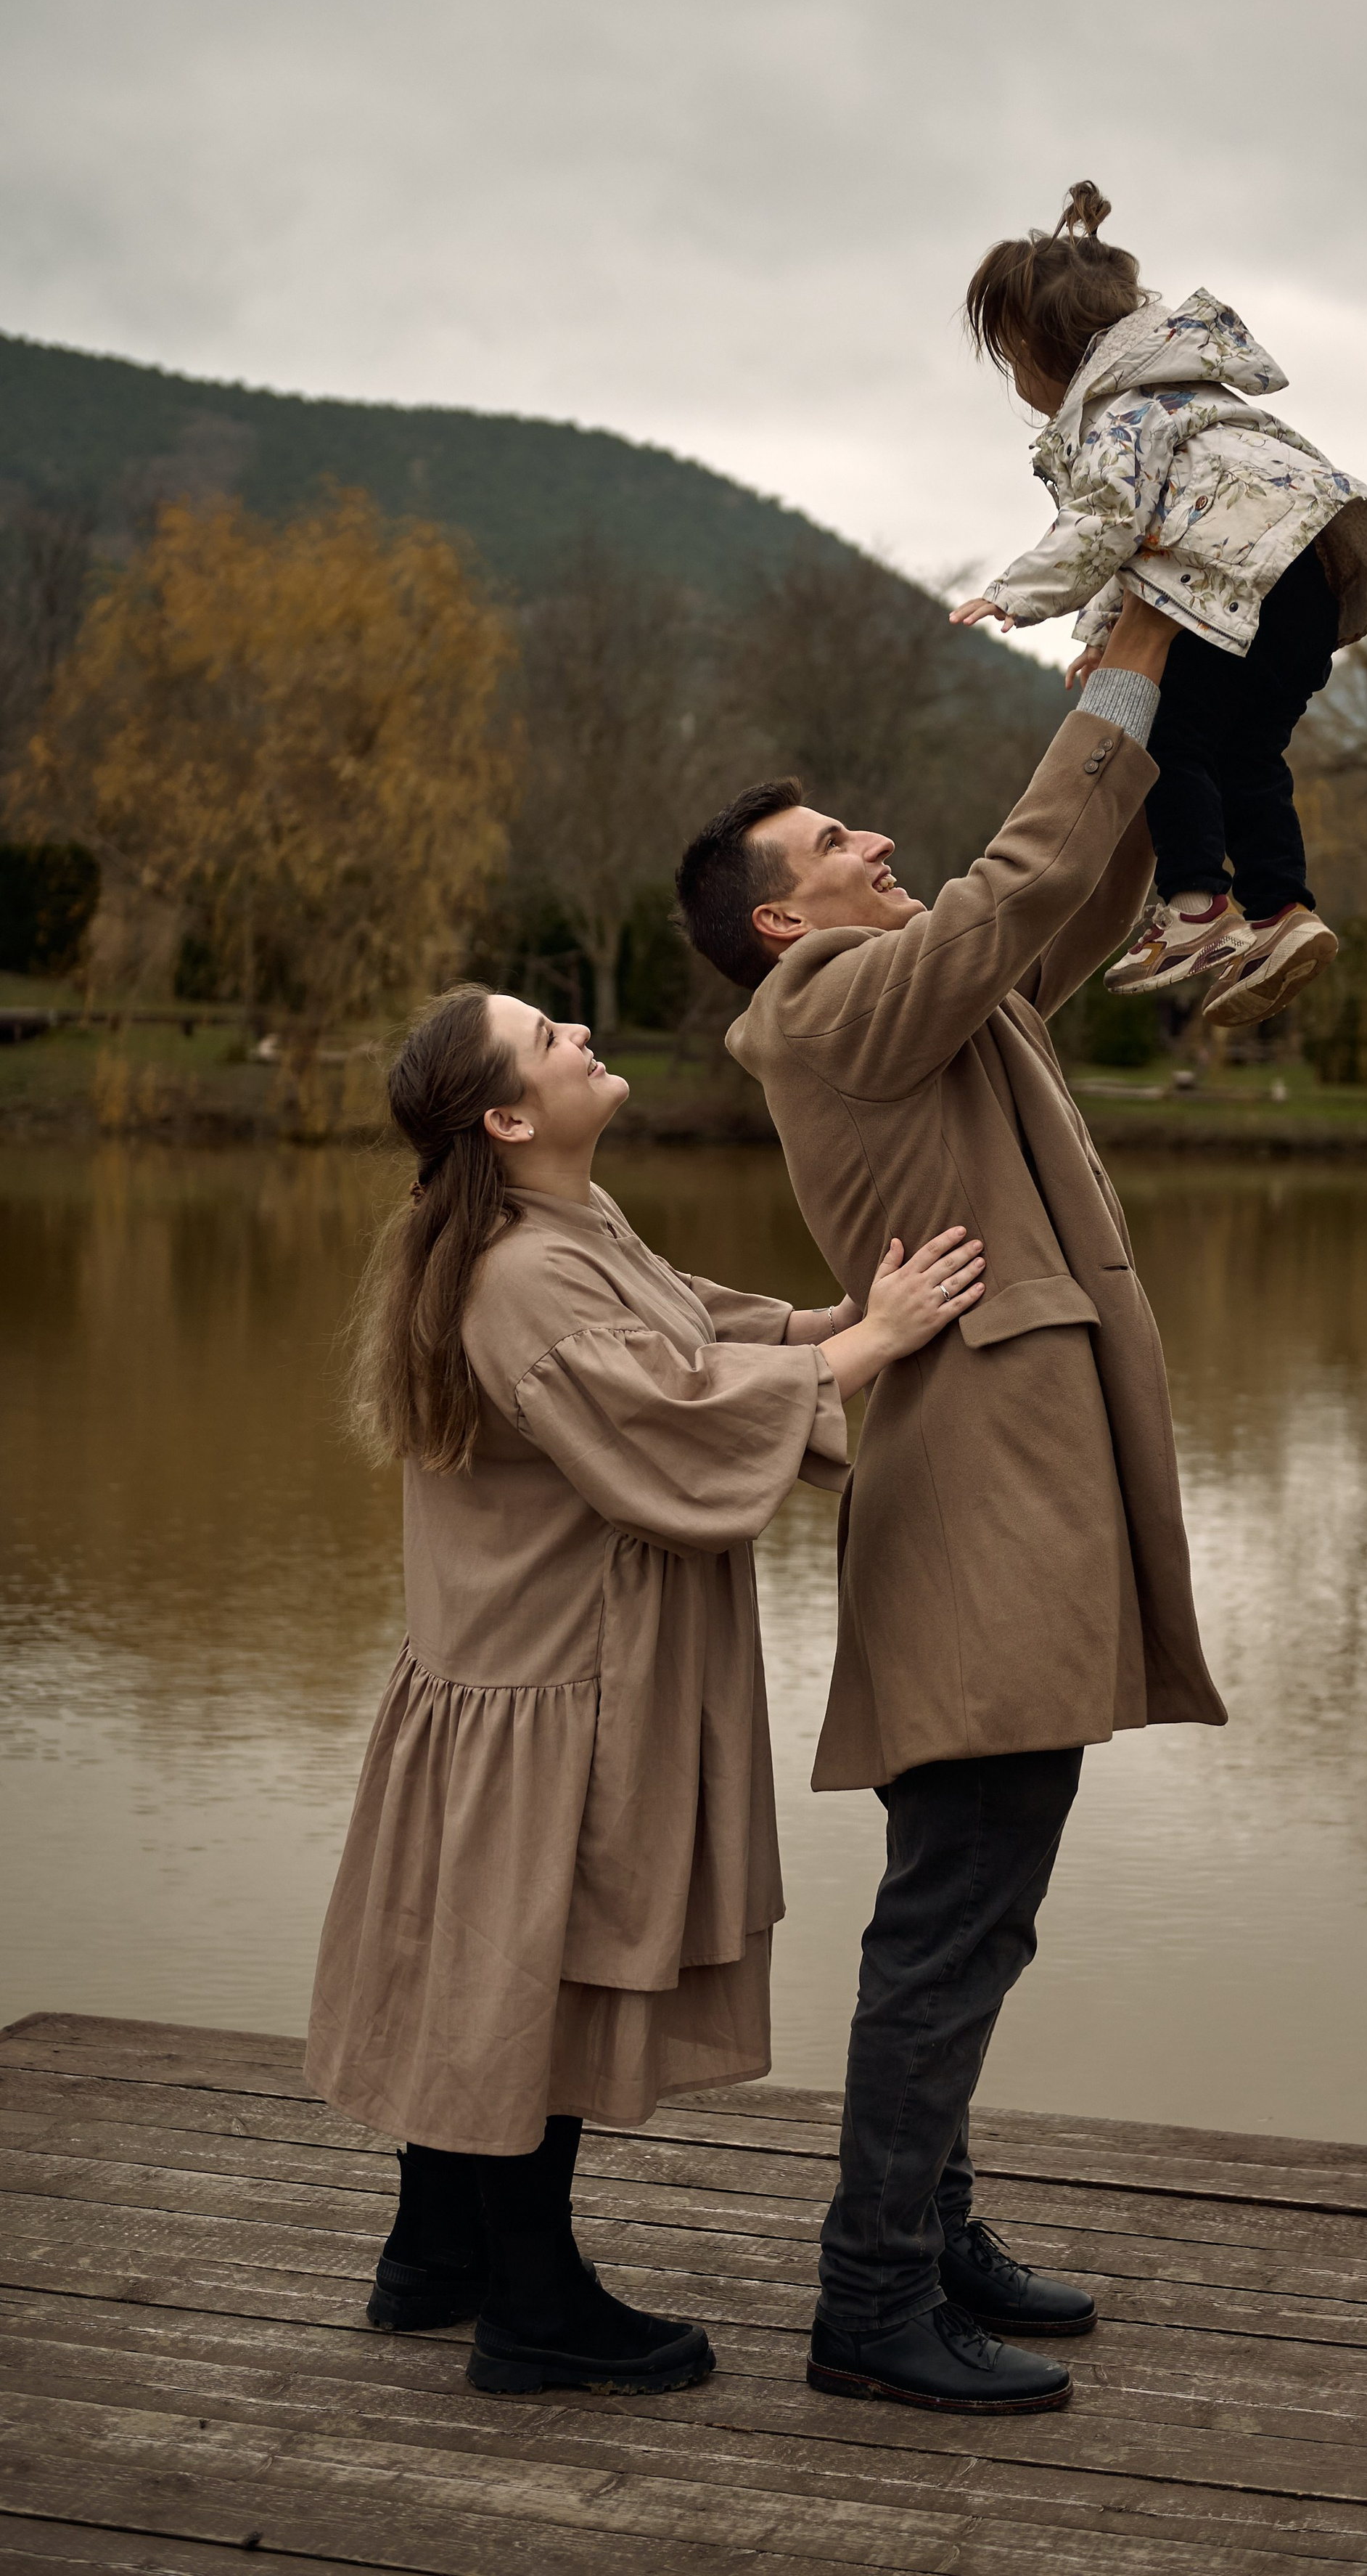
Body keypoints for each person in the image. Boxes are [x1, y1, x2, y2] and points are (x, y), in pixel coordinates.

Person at [673, 592, 1228, 2417]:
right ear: (780, 919)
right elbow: (1003, 887)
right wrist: (1126, 670)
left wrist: (1142, 730)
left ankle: (932, 2229)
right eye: (836, 841)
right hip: (976, 1505)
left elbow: (1056, 904)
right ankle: (870, 2294)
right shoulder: (824, 1010)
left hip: (1002, 1491)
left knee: (973, 1898)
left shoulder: (919, 1011)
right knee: (956, 1907)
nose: (875, 840)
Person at [306, 981, 983, 2399]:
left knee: (486, 1963)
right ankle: (531, 2308)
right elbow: (668, 1422)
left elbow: (688, 1335)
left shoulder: (564, 1228)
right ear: (507, 1116)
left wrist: (831, 1320)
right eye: (550, 1038)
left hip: (518, 1676)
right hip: (544, 1687)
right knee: (524, 1988)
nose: (580, 1039)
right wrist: (871, 1347)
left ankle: (432, 2255)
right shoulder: (519, 1273)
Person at [951, 178, 1367, 1029]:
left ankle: (1193, 904)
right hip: (1308, 584)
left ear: (1051, 349)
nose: (1017, 383)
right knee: (1250, 754)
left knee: (1166, 736)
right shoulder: (1191, 394)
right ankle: (1279, 913)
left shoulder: (1119, 412)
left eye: (1013, 361)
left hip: (1235, 585)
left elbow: (1111, 523)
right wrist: (1103, 630)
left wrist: (1016, 594)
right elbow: (1157, 535)